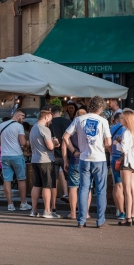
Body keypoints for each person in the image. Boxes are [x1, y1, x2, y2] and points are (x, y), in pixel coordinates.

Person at [63, 96, 111, 228]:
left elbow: (65, 137)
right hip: (99, 158)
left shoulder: (78, 119)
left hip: (83, 158)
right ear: (100, 108)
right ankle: (100, 221)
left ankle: (81, 220)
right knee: (101, 190)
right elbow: (108, 142)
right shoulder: (103, 121)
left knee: (83, 189)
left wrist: (73, 151)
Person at [0, 108, 32, 212]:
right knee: (21, 179)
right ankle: (23, 203)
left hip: (4, 156)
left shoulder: (1, 125)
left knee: (7, 180)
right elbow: (23, 142)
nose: (23, 120)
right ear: (18, 115)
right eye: (23, 117)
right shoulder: (19, 126)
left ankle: (10, 204)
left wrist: (6, 144)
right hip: (16, 155)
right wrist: (29, 143)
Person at [62, 109, 92, 220]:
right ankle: (86, 213)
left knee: (73, 187)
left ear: (76, 116)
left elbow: (64, 144)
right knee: (87, 187)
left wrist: (66, 160)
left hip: (75, 160)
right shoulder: (89, 127)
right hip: (88, 160)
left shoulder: (72, 127)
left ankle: (73, 213)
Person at [29, 110, 59, 218]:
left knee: (36, 184)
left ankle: (33, 210)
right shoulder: (45, 129)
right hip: (46, 160)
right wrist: (55, 142)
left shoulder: (33, 128)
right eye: (50, 118)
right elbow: (50, 147)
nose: (51, 121)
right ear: (46, 117)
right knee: (47, 186)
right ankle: (47, 211)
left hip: (35, 159)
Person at [49, 105, 71, 213]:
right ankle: (73, 207)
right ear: (61, 112)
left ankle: (53, 206)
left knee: (54, 181)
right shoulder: (68, 122)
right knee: (71, 181)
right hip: (67, 154)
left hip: (53, 155)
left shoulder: (49, 124)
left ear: (51, 113)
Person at [116, 109, 134, 226]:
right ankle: (132, 214)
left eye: (122, 118)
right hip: (132, 161)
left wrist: (116, 144)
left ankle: (127, 217)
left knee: (127, 190)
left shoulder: (127, 132)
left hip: (126, 162)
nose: (120, 120)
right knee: (132, 189)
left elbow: (124, 148)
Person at [108, 112, 125, 219]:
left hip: (114, 158)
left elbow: (107, 144)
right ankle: (128, 211)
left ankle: (119, 210)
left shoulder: (112, 128)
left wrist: (111, 153)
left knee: (117, 185)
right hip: (126, 159)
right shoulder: (129, 129)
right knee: (129, 186)